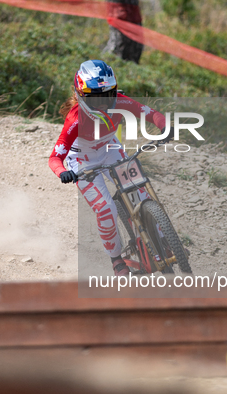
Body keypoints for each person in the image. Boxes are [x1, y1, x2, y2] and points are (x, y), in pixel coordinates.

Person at [48, 59, 171, 276]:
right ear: (81, 96)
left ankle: (163, 240)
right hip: (82, 159)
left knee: (141, 193)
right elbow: (55, 157)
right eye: (96, 99)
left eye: (108, 95)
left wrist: (165, 126)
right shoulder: (75, 119)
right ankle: (117, 261)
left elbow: (151, 114)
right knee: (106, 210)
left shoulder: (121, 102)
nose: (103, 103)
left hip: (110, 147)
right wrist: (63, 172)